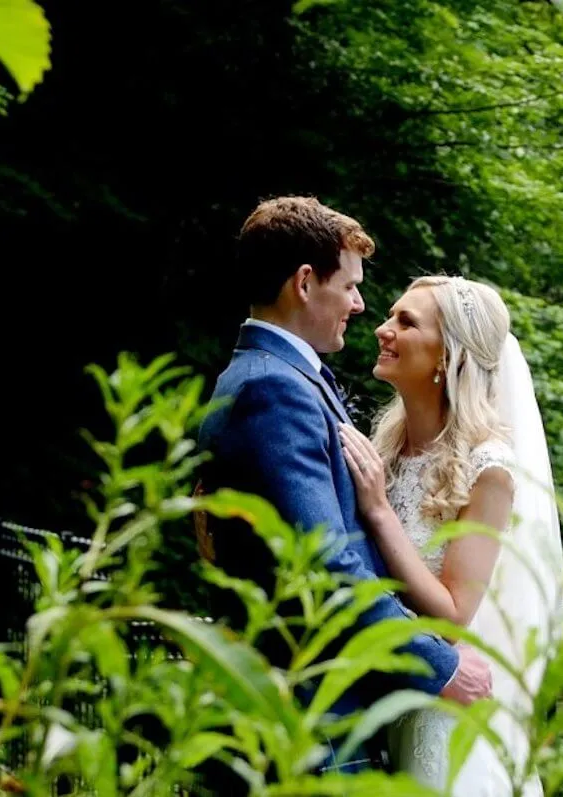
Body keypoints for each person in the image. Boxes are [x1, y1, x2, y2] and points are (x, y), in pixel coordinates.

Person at [195, 197, 493, 775]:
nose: (360, 304)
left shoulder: (281, 378)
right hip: (311, 723)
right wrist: (441, 666)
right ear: (305, 283)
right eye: (351, 286)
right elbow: (325, 568)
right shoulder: (273, 391)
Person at [338, 275, 563, 795]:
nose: (381, 329)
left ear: (448, 356)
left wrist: (378, 511)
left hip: (445, 720)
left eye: (406, 322)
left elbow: (455, 610)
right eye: (391, 316)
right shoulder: (386, 450)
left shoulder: (489, 467)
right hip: (385, 701)